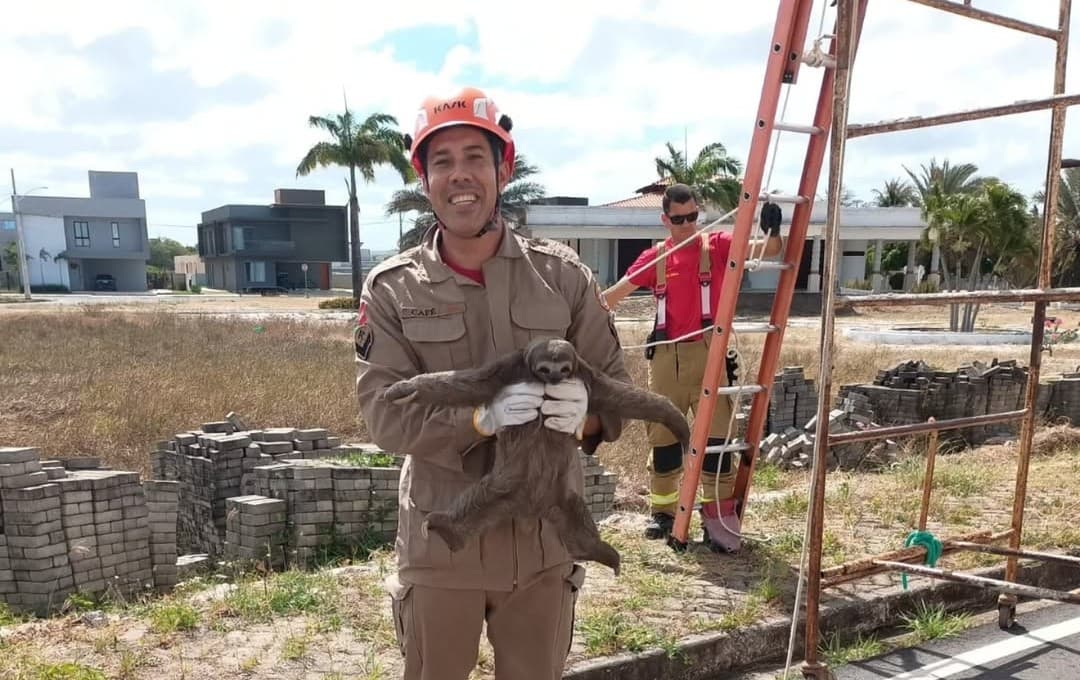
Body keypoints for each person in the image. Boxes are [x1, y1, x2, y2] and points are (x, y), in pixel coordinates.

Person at [354, 86, 630, 680]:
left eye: (475, 157)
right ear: (423, 179)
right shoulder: (392, 290)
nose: (461, 176)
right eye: (443, 161)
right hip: (441, 546)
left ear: (502, 168)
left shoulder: (563, 277)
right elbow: (386, 414)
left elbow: (614, 391)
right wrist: (481, 420)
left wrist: (582, 414)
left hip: (543, 545)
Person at [602, 183, 783, 551]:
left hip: (709, 355)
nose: (686, 225)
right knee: (665, 440)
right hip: (667, 360)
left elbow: (764, 251)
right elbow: (612, 297)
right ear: (664, 219)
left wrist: (773, 231)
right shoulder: (654, 258)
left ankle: (715, 516)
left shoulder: (714, 246)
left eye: (692, 217)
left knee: (716, 442)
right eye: (678, 219)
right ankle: (663, 514)